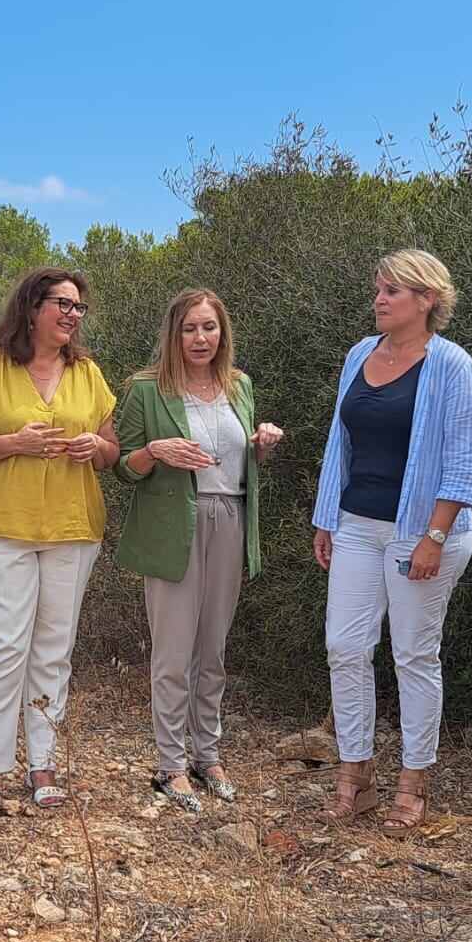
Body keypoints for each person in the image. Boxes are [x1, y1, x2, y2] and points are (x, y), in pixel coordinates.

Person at [311, 249, 472, 836]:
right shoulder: (360, 353)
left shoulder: (453, 365)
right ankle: (354, 776)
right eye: (378, 288)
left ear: (427, 299)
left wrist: (435, 536)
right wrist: (326, 517)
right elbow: (341, 441)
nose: (379, 299)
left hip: (423, 531)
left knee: (413, 654)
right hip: (357, 524)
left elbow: (464, 463)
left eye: (392, 291)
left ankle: (414, 784)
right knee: (345, 646)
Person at [0, 267, 118, 811]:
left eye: (77, 307)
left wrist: (97, 446)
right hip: (0, 529)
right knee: (3, 646)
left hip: (72, 528)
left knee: (53, 649)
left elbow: (113, 452)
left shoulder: (88, 372)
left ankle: (43, 764)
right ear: (30, 308)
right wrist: (15, 443)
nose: (71, 314)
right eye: (61, 304)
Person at [113, 288, 284, 812]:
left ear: (222, 332)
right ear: (173, 333)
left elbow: (237, 461)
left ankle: (206, 756)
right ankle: (170, 765)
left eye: (209, 327)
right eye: (190, 328)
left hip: (230, 518)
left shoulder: (240, 385)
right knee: (172, 652)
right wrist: (153, 451)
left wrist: (260, 447)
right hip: (172, 526)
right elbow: (121, 466)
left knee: (213, 648)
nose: (200, 338)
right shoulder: (146, 390)